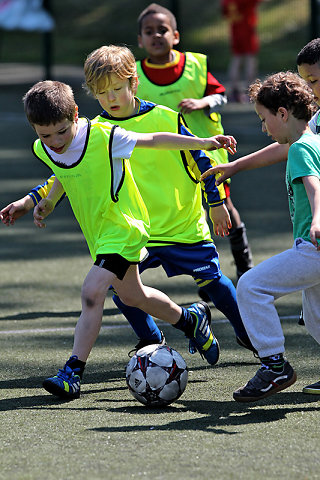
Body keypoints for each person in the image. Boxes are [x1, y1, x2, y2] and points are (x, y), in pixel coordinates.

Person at [1, 45, 254, 365]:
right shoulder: (94, 132)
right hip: (136, 229)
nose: (111, 98)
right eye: (102, 93)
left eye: (117, 89)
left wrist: (215, 203)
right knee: (122, 290)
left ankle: (248, 333)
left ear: (133, 84)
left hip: (181, 223)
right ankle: (151, 340)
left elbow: (201, 161)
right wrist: (34, 200)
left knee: (213, 281)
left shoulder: (163, 118)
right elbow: (65, 172)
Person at [202, 71, 320, 402]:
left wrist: (318, 219)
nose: (264, 128)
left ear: (283, 114)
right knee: (316, 321)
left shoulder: (300, 150)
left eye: (264, 119)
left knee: (252, 286)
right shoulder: (314, 141)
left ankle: (274, 365)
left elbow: (314, 186)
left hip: (314, 247)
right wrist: (235, 167)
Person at [136, 2, 253, 280]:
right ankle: (205, 271)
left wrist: (203, 101)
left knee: (224, 204)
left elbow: (221, 94)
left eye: (162, 30)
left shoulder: (195, 66)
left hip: (206, 152)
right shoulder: (135, 76)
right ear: (140, 40)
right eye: (149, 31)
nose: (156, 36)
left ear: (175, 36)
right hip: (165, 160)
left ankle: (244, 263)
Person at [221, 0, 262, 103]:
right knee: (250, 59)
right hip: (247, 30)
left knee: (236, 59)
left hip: (235, 31)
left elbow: (225, 13)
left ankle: (234, 91)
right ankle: (250, 91)